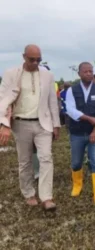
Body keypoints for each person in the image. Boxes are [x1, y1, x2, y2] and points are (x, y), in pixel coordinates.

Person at [0, 44, 60, 211]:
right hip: (20, 123)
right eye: (31, 59)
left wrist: (56, 124)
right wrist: (4, 124)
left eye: (38, 60)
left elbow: (52, 102)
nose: (35, 62)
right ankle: (29, 193)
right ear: (23, 57)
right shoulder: (11, 74)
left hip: (43, 124)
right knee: (25, 161)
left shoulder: (48, 75)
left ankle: (46, 197)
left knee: (46, 158)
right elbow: (3, 100)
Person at [65, 62, 95, 208]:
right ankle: (77, 185)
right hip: (77, 132)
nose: (89, 74)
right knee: (76, 162)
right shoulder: (72, 90)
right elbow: (70, 110)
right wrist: (87, 118)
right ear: (79, 74)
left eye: (91, 71)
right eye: (86, 71)